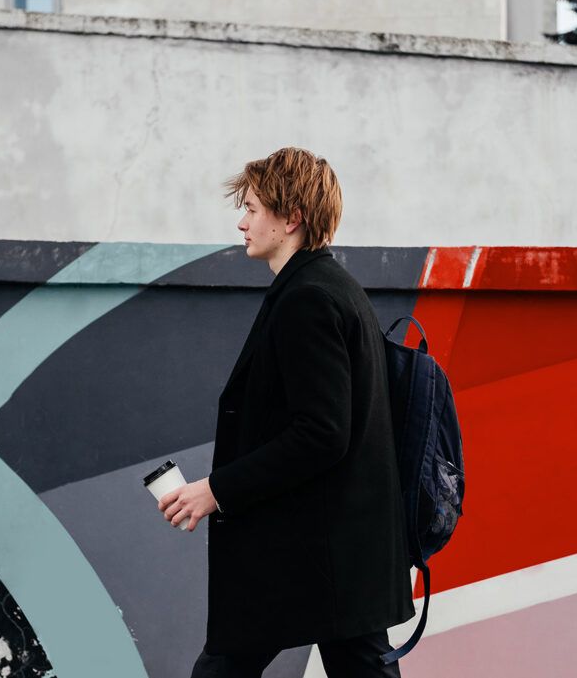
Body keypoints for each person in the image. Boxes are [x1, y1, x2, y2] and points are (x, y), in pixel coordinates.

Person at [157, 147, 414, 678]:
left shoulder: (309, 299)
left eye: (252, 208)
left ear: (291, 217)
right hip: (329, 553)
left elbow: (322, 433)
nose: (241, 221)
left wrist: (216, 489)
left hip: (311, 554)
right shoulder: (329, 289)